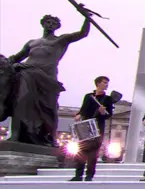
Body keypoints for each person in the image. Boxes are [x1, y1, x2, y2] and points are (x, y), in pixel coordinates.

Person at [5, 12, 91, 146]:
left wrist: (87, 18)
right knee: (20, 100)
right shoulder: (32, 43)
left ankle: (52, 136)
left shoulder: (60, 40)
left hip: (47, 78)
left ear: (57, 27)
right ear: (43, 24)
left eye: (54, 23)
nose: (50, 25)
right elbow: (17, 57)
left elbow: (82, 33)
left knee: (50, 108)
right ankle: (15, 135)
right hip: (27, 73)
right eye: (48, 22)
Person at [69, 76, 114, 181]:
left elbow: (109, 115)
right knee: (81, 150)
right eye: (104, 82)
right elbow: (83, 109)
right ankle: (78, 175)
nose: (106, 85)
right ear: (98, 83)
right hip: (86, 125)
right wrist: (78, 115)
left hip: (98, 126)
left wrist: (103, 112)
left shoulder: (107, 99)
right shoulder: (88, 96)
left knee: (93, 152)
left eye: (107, 83)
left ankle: (89, 175)